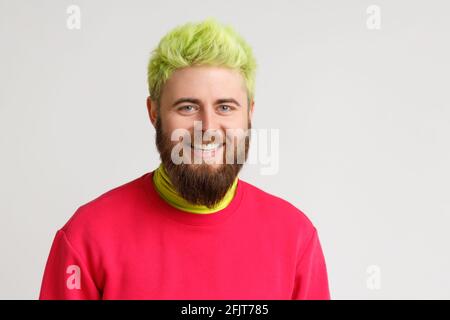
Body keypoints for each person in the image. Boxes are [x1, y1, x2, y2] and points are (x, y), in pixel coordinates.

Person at [39, 17, 330, 300]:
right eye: (188, 107)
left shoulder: (295, 238)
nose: (208, 128)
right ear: (154, 113)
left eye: (226, 107)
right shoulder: (86, 238)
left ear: (250, 113)